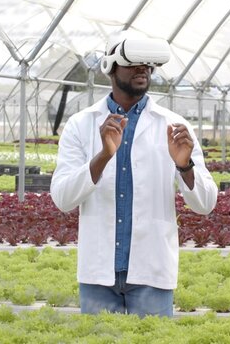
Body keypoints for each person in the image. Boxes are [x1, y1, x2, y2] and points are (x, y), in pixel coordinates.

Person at [50, 31, 218, 317]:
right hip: (98, 274)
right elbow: (63, 198)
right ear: (110, 68)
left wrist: (184, 166)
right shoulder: (81, 124)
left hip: (151, 271)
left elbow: (205, 203)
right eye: (133, 63)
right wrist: (103, 157)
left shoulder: (174, 126)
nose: (142, 70)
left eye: (147, 64)